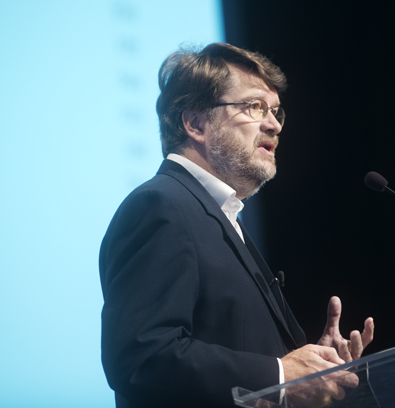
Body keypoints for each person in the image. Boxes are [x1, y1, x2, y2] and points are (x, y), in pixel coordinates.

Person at [99, 42, 374, 408]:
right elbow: (141, 357)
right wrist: (279, 375)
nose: (274, 124)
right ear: (195, 122)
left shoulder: (223, 216)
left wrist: (312, 369)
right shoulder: (161, 206)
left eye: (276, 111)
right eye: (254, 107)